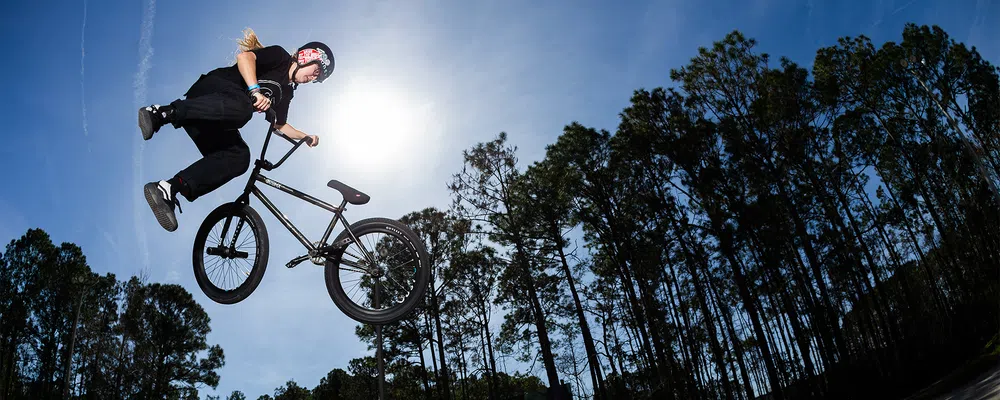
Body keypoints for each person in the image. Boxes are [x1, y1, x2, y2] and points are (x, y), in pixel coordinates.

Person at [138, 28, 334, 232]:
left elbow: (279, 125)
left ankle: (169, 188)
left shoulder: (286, 93)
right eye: (316, 71)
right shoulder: (280, 57)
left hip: (212, 119)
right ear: (307, 56)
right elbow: (245, 58)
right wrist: (255, 91)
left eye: (317, 79)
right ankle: (161, 113)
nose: (313, 78)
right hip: (212, 92)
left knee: (240, 157)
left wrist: (305, 137)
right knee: (243, 107)